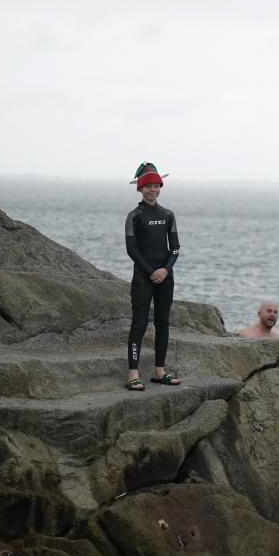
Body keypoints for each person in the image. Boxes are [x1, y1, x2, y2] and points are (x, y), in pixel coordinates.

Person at [124, 163, 182, 390]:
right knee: (139, 324)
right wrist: (151, 271)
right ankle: (133, 374)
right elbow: (132, 250)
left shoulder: (168, 215)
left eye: (157, 186)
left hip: (165, 276)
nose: (153, 190)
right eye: (148, 186)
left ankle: (160, 371)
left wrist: (165, 270)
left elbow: (175, 248)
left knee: (163, 323)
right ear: (140, 188)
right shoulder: (134, 216)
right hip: (143, 277)